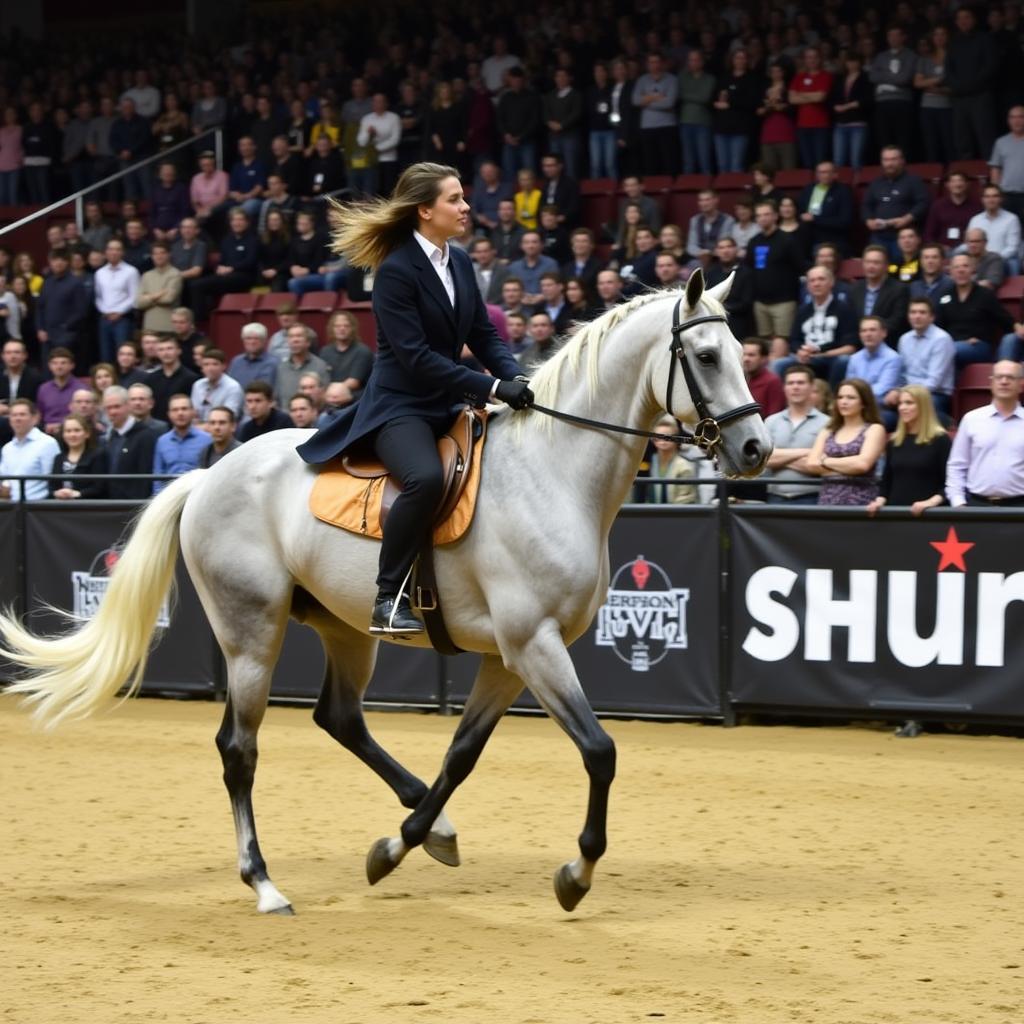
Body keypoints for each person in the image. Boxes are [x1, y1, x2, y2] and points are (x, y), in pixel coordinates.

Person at [296, 162, 531, 635]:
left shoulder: (460, 261)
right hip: (400, 406)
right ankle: (389, 596)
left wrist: (519, 379)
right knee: (424, 478)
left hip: (448, 401)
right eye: (454, 199)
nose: (466, 207)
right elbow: (416, 357)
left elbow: (483, 334)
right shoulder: (395, 270)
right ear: (425, 210)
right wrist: (490, 387)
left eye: (463, 197)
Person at [946, 361, 1024, 507]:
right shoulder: (972, 419)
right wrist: (958, 502)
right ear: (991, 382)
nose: (1004, 381)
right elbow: (957, 465)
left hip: (1020, 507)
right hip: (977, 506)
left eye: (1010, 377)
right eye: (999, 377)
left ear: (1021, 384)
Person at [867, 385, 950, 517]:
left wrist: (930, 502)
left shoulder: (941, 440)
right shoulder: (894, 441)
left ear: (923, 406)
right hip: (895, 514)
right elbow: (886, 482)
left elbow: (950, 483)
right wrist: (879, 501)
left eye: (909, 403)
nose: (902, 408)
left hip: (929, 515)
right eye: (900, 403)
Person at [807, 378, 886, 506]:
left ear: (864, 402)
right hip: (827, 499)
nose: (844, 402)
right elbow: (811, 464)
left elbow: (862, 465)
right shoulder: (828, 430)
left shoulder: (874, 429)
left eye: (851, 398)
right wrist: (850, 467)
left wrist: (825, 461)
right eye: (840, 397)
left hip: (861, 500)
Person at [779, 265, 858, 385]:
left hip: (830, 357)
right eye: (812, 280)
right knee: (779, 364)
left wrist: (819, 352)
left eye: (821, 279)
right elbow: (794, 340)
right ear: (807, 286)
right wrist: (800, 351)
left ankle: (832, 399)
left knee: (844, 361)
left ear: (831, 282)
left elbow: (850, 347)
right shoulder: (802, 311)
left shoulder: (845, 309)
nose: (816, 284)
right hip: (805, 356)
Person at [763, 364, 829, 505]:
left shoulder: (828, 423)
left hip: (812, 497)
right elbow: (764, 460)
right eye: (790, 383)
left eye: (801, 383)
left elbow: (824, 464)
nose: (795, 387)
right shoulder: (771, 421)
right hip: (775, 496)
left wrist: (779, 457)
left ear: (812, 387)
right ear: (784, 388)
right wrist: (808, 453)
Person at [938, 253, 1016, 368]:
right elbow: (939, 327)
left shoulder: (984, 294)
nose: (961, 270)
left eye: (965, 266)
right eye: (956, 267)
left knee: (950, 350)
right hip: (951, 344)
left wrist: (980, 337)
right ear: (950, 272)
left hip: (978, 347)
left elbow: (1005, 320)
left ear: (973, 270)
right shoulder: (945, 295)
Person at [747, 200, 805, 339]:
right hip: (760, 303)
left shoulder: (788, 240)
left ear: (775, 216)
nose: (763, 218)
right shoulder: (753, 242)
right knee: (764, 343)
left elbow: (800, 266)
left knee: (783, 341)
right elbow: (749, 268)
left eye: (766, 214)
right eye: (759, 215)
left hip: (784, 302)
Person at [861, 147, 930, 262]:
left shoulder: (913, 181)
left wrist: (907, 218)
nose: (889, 164)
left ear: (902, 161)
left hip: (904, 236)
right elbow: (866, 205)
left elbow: (923, 203)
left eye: (893, 159)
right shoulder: (876, 183)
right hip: (879, 236)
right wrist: (868, 220)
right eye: (886, 160)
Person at [898, 297, 956, 419]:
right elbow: (901, 374)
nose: (917, 316)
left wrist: (910, 395)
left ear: (932, 317)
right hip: (907, 393)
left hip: (935, 395)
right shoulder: (904, 339)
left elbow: (934, 381)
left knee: (914, 407)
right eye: (913, 312)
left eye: (922, 312)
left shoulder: (941, 339)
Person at [847, 316, 904, 429]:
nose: (868, 334)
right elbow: (849, 386)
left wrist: (856, 396)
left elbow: (882, 389)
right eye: (864, 331)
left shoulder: (893, 358)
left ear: (883, 333)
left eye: (872, 330)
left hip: (880, 408)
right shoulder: (854, 358)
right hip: (856, 405)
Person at [36, 249, 90, 365]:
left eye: (62, 260)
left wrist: (65, 327)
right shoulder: (47, 282)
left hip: (66, 335)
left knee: (64, 368)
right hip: (46, 335)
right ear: (50, 262)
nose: (58, 263)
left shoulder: (76, 283)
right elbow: (40, 307)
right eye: (55, 260)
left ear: (68, 262)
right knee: (47, 370)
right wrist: (40, 328)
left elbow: (81, 311)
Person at [101, 385, 157, 499]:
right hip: (109, 503)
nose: (112, 412)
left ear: (128, 406)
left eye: (117, 407)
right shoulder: (108, 436)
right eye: (108, 408)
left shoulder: (145, 435)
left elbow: (146, 475)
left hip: (133, 503)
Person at [0, 398, 61, 501]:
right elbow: (4, 477)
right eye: (14, 415)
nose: (17, 418)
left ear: (35, 418)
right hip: (9, 507)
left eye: (22, 414)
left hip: (36, 508)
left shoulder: (47, 443)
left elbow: (53, 480)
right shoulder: (7, 448)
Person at [152, 395, 211, 493]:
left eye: (184, 409)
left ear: (193, 412)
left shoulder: (207, 439)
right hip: (169, 496)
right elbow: (158, 475)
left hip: (197, 494)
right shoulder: (162, 441)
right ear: (169, 414)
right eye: (175, 410)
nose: (180, 413)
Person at [849, 245, 910, 339]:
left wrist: (872, 334)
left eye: (876, 262)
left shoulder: (899, 289)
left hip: (888, 341)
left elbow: (897, 320)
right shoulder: (855, 288)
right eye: (868, 262)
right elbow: (850, 318)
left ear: (886, 266)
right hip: (858, 342)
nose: (871, 266)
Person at [797, 161, 854, 257]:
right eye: (820, 172)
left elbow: (845, 221)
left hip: (832, 241)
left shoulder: (843, 191)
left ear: (834, 174)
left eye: (826, 172)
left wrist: (815, 219)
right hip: (808, 239)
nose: (823, 175)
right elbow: (799, 211)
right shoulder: (809, 189)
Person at [636, 416, 698, 504]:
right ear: (653, 439)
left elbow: (686, 500)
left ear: (677, 438)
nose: (663, 441)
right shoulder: (648, 462)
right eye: (658, 437)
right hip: (647, 514)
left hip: (675, 515)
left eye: (668, 437)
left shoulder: (684, 466)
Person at [48, 413, 108, 499]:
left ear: (87, 433)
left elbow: (100, 487)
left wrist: (78, 494)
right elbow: (52, 487)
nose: (72, 435)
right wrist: (57, 493)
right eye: (68, 431)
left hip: (88, 507)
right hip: (61, 507)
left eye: (77, 430)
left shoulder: (97, 456)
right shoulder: (58, 458)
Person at [967, 185, 1022, 275]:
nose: (991, 200)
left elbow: (1013, 248)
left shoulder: (1011, 219)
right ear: (983, 200)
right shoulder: (975, 220)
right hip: (978, 259)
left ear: (1001, 199)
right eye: (987, 196)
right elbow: (969, 243)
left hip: (1002, 260)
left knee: (1011, 263)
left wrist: (994, 259)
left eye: (995, 196)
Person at [923, 171, 980, 251]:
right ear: (947, 185)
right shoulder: (938, 206)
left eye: (960, 181)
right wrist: (939, 247)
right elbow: (928, 234)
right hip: (942, 251)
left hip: (968, 250)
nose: (957, 184)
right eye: (953, 181)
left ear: (967, 184)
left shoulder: (976, 206)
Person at [320, 310, 374, 393]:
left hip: (354, 398)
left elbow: (353, 382)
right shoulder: (325, 351)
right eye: (337, 326)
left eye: (346, 326)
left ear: (353, 328)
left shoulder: (362, 351)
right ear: (332, 329)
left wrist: (331, 392)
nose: (342, 329)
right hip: (330, 396)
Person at [134, 242, 182, 334]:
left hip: (169, 327)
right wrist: (158, 294)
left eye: (162, 253)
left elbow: (168, 299)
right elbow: (139, 303)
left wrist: (147, 297)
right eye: (155, 253)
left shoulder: (175, 274)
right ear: (152, 256)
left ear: (168, 255)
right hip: (149, 327)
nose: (159, 256)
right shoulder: (146, 275)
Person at [148, 336, 199, 421]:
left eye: (169, 348)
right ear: (157, 353)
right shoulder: (151, 378)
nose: (165, 353)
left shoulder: (191, 378)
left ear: (179, 351)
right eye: (161, 350)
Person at [989, 106, 1024, 225]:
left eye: (1020, 117)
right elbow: (995, 169)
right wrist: (995, 194)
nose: (1017, 120)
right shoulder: (1001, 142)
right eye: (1013, 117)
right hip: (1006, 196)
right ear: (1008, 120)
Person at [190, 348, 244, 426]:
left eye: (215, 364)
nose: (210, 368)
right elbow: (193, 414)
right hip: (199, 428)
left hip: (222, 428)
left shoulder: (233, 387)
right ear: (202, 368)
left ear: (224, 366)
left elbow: (229, 417)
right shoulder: (198, 385)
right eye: (206, 364)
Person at [228, 322, 278, 390]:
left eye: (256, 338)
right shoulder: (236, 362)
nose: (252, 342)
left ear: (264, 341)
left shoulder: (274, 363)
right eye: (248, 338)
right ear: (243, 340)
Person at [741, 338, 784, 418]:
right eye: (744, 354)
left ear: (764, 359)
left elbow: (774, 416)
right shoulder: (739, 380)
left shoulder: (772, 381)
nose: (746, 359)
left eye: (751, 355)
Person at [0, 339, 42, 413]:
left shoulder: (35, 378)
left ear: (25, 355)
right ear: (2, 356)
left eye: (17, 352)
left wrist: (9, 410)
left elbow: (37, 406)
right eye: (8, 353)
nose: (12, 356)